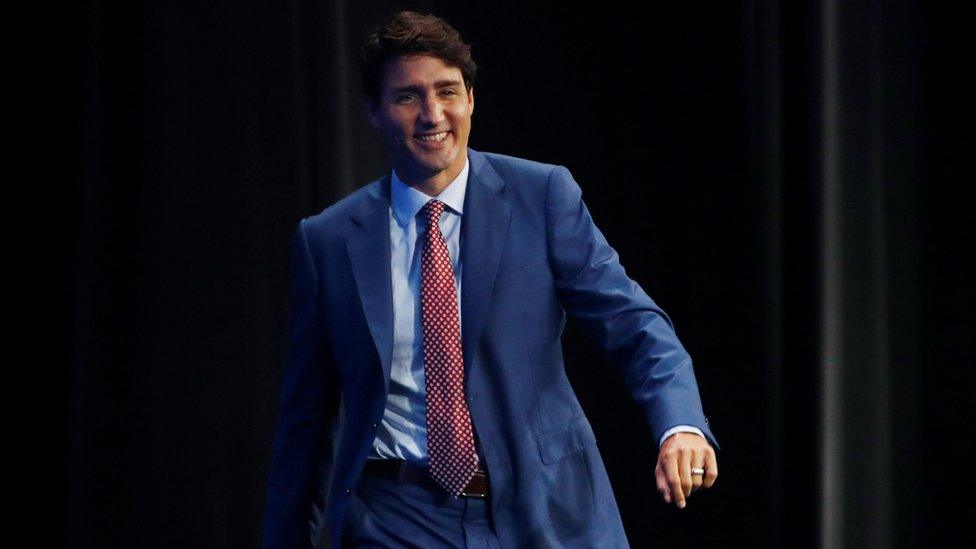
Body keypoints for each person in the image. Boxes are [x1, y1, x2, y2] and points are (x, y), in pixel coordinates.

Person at [262, 10, 719, 549]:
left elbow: (632, 322)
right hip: (396, 517)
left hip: (545, 508)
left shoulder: (542, 196)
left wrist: (680, 425)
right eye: (408, 96)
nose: (433, 114)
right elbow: (305, 427)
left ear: (471, 99)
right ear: (374, 111)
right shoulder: (329, 241)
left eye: (447, 91)